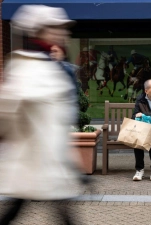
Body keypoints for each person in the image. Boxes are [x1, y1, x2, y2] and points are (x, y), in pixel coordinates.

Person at [0, 5, 82, 224]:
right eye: (57, 28)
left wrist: (71, 159)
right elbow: (6, 113)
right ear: (41, 31)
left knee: (20, 208)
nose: (64, 33)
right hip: (34, 160)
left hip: (48, 160)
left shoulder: (50, 64)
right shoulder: (27, 66)